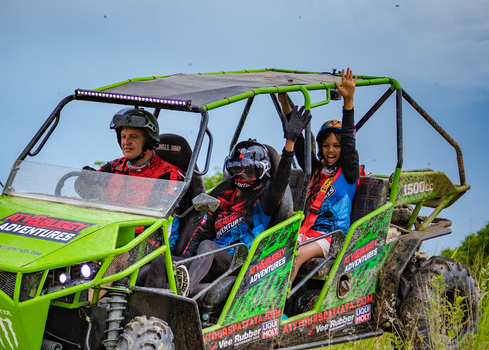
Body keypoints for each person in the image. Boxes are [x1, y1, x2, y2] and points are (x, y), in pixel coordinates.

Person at [146, 107, 312, 296]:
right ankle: (149, 302)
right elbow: (203, 231)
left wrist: (290, 142)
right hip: (210, 260)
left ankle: (182, 294)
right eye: (236, 170)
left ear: (261, 171)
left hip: (242, 260)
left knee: (208, 246)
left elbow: (281, 181)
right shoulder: (223, 194)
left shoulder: (265, 199)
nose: (241, 176)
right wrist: (184, 259)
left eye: (248, 171)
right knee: (163, 260)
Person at [278, 68, 362, 279]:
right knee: (272, 251)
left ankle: (277, 307)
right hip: (305, 232)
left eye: (336, 146)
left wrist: (348, 102)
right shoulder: (315, 171)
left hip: (331, 236)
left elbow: (350, 143)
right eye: (326, 146)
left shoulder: (348, 173)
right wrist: (283, 102)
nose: (331, 150)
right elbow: (298, 144)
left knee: (295, 257)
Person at [98, 107, 186, 249]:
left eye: (133, 137)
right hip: (107, 234)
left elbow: (159, 225)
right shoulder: (113, 167)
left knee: (108, 263)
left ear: (149, 142)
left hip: (146, 243)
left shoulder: (168, 175)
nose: (126, 142)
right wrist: (84, 182)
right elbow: (87, 191)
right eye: (123, 137)